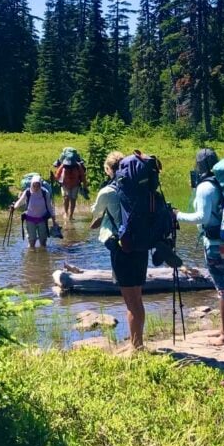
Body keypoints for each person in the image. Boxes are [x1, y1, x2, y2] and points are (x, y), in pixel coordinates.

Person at [177, 147, 224, 345]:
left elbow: (202, 217)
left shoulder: (206, 187)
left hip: (217, 243)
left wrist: (176, 215)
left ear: (199, 165)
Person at [89, 150, 147, 351]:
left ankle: (136, 346)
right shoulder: (140, 187)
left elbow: (95, 212)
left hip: (121, 247)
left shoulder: (108, 191)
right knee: (137, 298)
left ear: (108, 169)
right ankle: (138, 342)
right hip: (141, 244)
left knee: (130, 302)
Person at [10, 175, 56, 248]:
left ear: (40, 185)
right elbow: (20, 201)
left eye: (38, 186)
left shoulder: (45, 192)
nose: (36, 188)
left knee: (43, 242)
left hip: (42, 219)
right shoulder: (27, 192)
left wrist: (54, 220)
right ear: (31, 184)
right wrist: (14, 207)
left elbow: (50, 207)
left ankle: (43, 256)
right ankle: (31, 256)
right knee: (32, 241)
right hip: (30, 219)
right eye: (34, 186)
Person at [55, 152, 88, 220]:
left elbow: (83, 177)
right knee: (66, 198)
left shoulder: (78, 166)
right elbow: (57, 175)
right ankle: (66, 213)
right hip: (65, 185)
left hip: (75, 185)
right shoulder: (63, 165)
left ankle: (71, 215)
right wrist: (56, 179)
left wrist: (85, 186)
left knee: (73, 199)